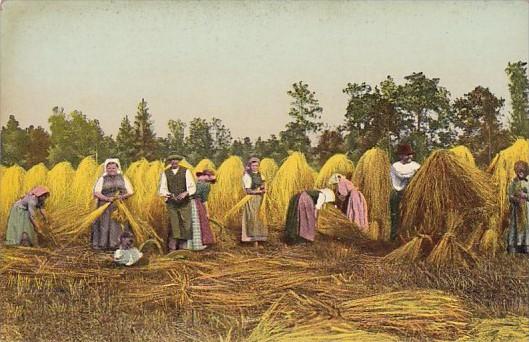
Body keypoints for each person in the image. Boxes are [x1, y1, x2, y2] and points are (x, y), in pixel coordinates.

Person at [91, 158, 134, 250]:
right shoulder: (102, 179)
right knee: (104, 225)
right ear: (106, 169)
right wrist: (107, 198)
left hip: (120, 205)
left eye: (113, 168)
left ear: (117, 168)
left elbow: (130, 192)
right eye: (109, 168)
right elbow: (96, 192)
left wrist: (121, 197)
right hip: (105, 205)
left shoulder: (123, 178)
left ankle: (118, 245)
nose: (111, 170)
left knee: (119, 224)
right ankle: (103, 245)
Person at [159, 153, 196, 252]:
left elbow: (192, 187)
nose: (174, 162)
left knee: (186, 224)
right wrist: (169, 194)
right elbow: (162, 189)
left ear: (179, 161)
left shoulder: (186, 171)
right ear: (170, 162)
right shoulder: (165, 173)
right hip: (172, 203)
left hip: (185, 203)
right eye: (172, 160)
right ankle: (172, 249)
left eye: (176, 160)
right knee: (174, 225)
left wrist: (185, 193)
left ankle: (183, 248)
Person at [390, 143, 420, 241]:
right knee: (396, 215)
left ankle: (407, 236)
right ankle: (394, 237)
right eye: (407, 154)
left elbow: (421, 173)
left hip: (409, 194)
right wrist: (415, 173)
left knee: (408, 215)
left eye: (410, 154)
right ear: (400, 156)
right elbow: (402, 175)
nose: (410, 156)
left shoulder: (416, 165)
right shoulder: (395, 166)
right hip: (397, 193)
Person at [180, 170, 216, 250]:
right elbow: (204, 200)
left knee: (191, 224)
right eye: (209, 178)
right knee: (194, 224)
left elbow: (204, 199)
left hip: (190, 204)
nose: (209, 180)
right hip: (192, 205)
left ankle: (189, 246)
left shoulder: (200, 184)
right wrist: (207, 212)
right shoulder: (201, 184)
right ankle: (193, 245)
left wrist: (207, 212)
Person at [241, 157, 267, 247]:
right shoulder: (247, 176)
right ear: (250, 166)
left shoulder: (261, 175)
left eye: (256, 165)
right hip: (251, 199)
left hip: (260, 199)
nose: (255, 167)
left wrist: (264, 188)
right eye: (253, 165)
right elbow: (248, 190)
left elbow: (263, 184)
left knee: (259, 218)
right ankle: (253, 240)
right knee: (252, 218)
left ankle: (260, 238)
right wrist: (258, 191)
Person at [507, 160, 529, 254]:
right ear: (516, 171)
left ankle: (526, 245)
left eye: (522, 171)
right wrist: (516, 199)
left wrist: (525, 196)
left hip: (527, 210)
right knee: (515, 226)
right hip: (516, 210)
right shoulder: (513, 182)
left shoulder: (528, 182)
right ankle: (513, 246)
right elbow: (510, 196)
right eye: (518, 171)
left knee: (526, 226)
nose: (520, 173)